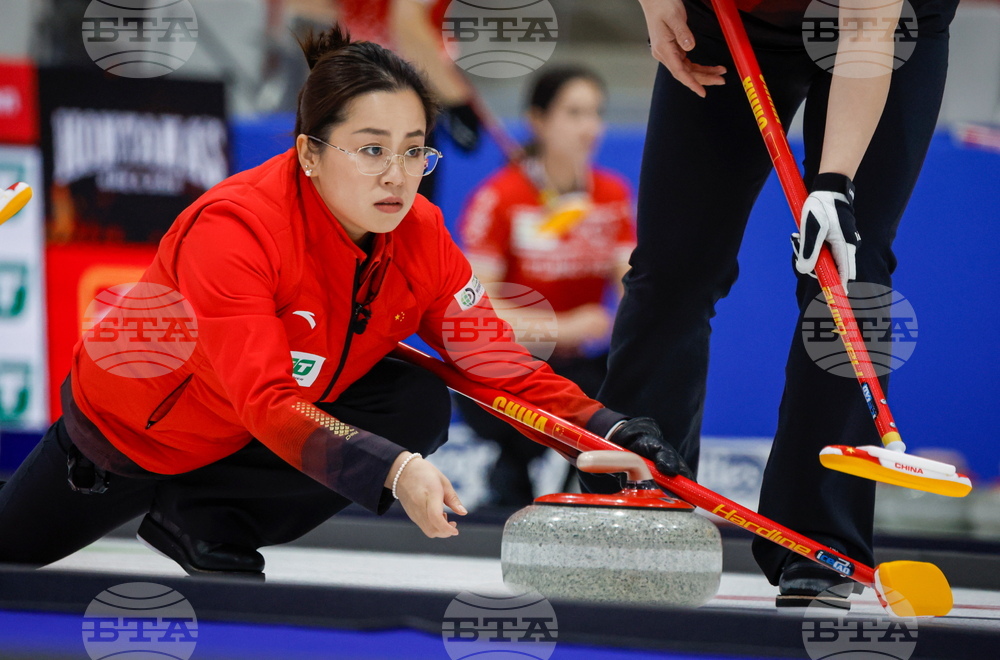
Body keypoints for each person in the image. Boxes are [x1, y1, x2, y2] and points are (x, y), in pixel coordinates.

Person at [0, 25, 688, 578]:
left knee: (414, 403)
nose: (397, 176)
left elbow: (497, 364)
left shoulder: (418, 233)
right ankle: (188, 509)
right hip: (128, 443)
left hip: (248, 437)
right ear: (308, 153)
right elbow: (264, 399)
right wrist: (391, 469)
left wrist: (606, 428)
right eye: (371, 150)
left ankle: (207, 520)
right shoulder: (235, 231)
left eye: (415, 151)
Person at [599, 0, 958, 608]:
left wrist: (834, 184)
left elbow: (869, 27)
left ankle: (819, 539)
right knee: (676, 265)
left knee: (846, 268)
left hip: (888, 31)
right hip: (727, 20)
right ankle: (637, 504)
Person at [456, 66, 635, 506]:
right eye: (574, 113)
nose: (590, 127)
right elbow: (475, 311)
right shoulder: (500, 197)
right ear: (537, 120)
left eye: (596, 113)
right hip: (513, 368)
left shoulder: (612, 195)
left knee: (639, 375)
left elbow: (635, 291)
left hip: (586, 368)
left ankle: (598, 492)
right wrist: (565, 326)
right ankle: (509, 482)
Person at [335, 0, 482, 201]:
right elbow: (407, 25)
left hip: (354, 88)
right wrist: (457, 99)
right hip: (396, 94)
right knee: (399, 206)